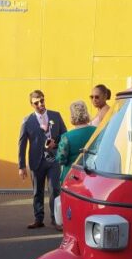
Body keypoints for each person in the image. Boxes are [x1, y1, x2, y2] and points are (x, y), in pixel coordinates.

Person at [18, 90, 67, 230]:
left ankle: (56, 220)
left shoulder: (55, 115)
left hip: (53, 159)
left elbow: (65, 135)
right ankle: (38, 219)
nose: (40, 104)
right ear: (31, 105)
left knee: (55, 189)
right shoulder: (27, 121)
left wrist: (56, 143)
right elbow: (22, 143)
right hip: (36, 161)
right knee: (37, 191)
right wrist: (21, 166)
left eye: (42, 101)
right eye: (36, 103)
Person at [57, 100, 96, 184]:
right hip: (93, 173)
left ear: (72, 115)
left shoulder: (66, 137)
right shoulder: (97, 131)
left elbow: (61, 159)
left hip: (72, 176)